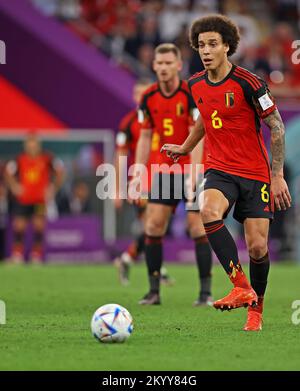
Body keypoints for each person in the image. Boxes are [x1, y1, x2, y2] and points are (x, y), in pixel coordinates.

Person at [161, 15, 291, 330]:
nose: (206, 50)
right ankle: (239, 285)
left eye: (213, 44)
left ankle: (255, 310)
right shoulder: (195, 84)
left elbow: (277, 127)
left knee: (258, 247)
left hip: (255, 172)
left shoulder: (249, 82)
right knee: (208, 210)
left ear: (227, 47)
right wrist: (185, 146)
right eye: (201, 45)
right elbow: (205, 118)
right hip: (219, 168)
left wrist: (276, 176)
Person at [128, 43, 212, 306]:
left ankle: (205, 293)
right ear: (154, 65)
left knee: (197, 227)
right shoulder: (148, 97)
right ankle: (154, 291)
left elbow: (198, 135)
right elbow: (144, 136)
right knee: (153, 225)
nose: (163, 68)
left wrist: (194, 176)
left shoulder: (190, 93)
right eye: (159, 63)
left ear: (178, 65)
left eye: (168, 63)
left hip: (192, 167)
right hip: (166, 170)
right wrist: (138, 173)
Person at [114, 79, 174, 286]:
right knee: (152, 224)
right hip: (143, 180)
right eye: (137, 93)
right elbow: (120, 155)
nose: (140, 97)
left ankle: (127, 259)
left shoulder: (163, 115)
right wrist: (117, 188)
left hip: (166, 176)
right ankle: (156, 269)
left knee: (159, 226)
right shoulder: (128, 123)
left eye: (144, 93)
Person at [5, 133, 65, 263]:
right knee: (19, 226)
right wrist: (14, 186)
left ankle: (36, 255)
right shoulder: (19, 160)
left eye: (34, 145)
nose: (32, 148)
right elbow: (8, 173)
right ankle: (17, 254)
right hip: (23, 200)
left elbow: (61, 171)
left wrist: (53, 188)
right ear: (25, 146)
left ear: (39, 145)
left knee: (39, 226)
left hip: (40, 200)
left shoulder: (47, 159)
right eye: (29, 145)